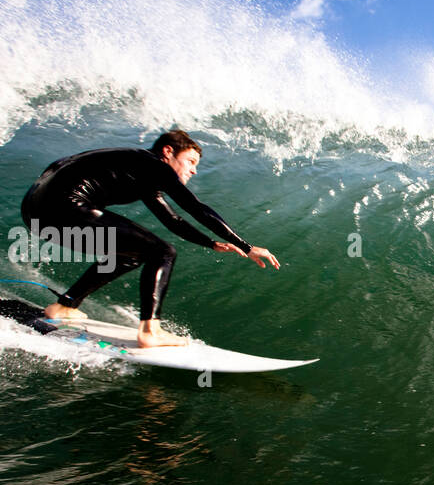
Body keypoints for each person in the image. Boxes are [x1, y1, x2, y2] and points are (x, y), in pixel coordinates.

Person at [20, 130, 280, 347]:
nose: (194, 171)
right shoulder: (154, 165)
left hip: (35, 211)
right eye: (190, 161)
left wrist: (210, 243)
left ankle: (65, 306)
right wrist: (247, 247)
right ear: (168, 151)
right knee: (163, 252)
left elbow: (173, 220)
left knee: (134, 253)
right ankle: (150, 331)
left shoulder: (141, 172)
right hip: (65, 205)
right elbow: (196, 208)